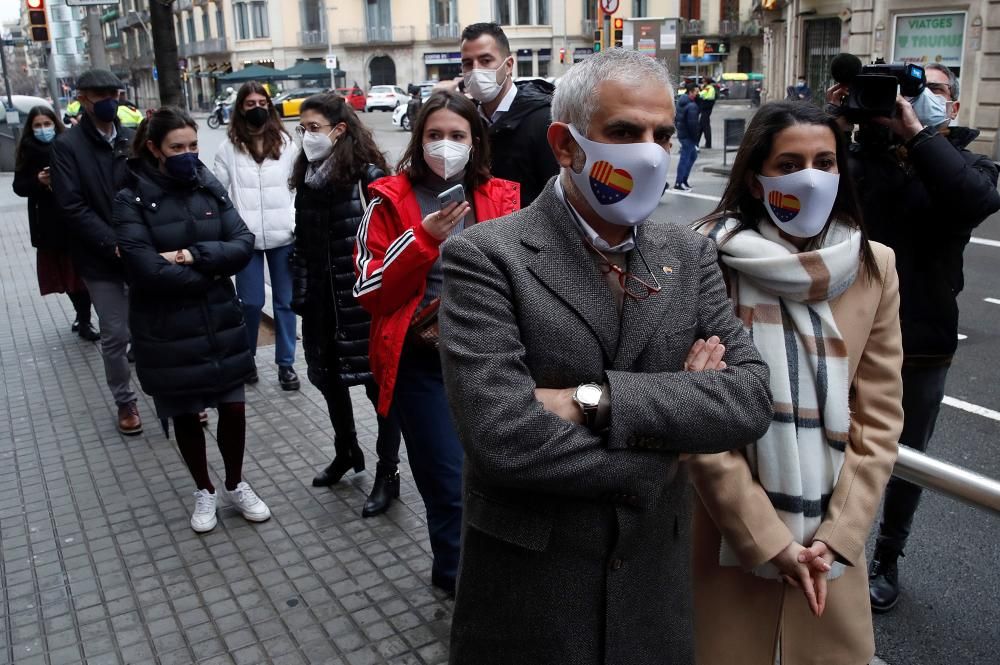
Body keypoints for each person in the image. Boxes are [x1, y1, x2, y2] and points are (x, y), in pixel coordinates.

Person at [438, 48, 772, 663]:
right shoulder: (487, 256)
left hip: (653, 594)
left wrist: (595, 400)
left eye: (662, 134)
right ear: (565, 145)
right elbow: (503, 436)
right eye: (624, 132)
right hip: (531, 599)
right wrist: (670, 444)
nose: (649, 151)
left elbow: (749, 397)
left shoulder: (688, 254)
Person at [687, 100, 904, 664]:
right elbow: (695, 412)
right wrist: (768, 539)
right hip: (727, 533)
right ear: (756, 182)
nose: (810, 177)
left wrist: (837, 537)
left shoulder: (873, 267)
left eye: (825, 162)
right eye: (789, 164)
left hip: (828, 547)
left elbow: (878, 420)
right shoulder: (704, 260)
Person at [827, 63, 1000, 612]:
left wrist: (917, 137)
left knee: (908, 459)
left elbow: (975, 201)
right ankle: (829, 543)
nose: (901, 102)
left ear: (948, 107)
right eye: (892, 94)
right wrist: (835, 118)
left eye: (929, 92)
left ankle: (888, 557)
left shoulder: (963, 164)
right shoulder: (853, 158)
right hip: (844, 335)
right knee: (830, 445)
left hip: (923, 341)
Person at [353, 90, 520, 594]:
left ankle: (496, 575)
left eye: (456, 136)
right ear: (418, 139)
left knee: (496, 476)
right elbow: (371, 290)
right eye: (434, 135)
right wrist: (422, 241)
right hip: (422, 363)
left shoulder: (502, 198)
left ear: (476, 142)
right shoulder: (387, 200)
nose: (444, 145)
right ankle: (456, 580)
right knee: (446, 484)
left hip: (492, 360)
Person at [113, 107, 270, 533]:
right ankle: (204, 489)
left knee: (233, 408)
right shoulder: (130, 198)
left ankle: (235, 483)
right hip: (166, 329)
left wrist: (187, 256)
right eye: (177, 147)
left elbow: (242, 243)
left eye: (193, 145)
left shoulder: (208, 184)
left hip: (219, 321)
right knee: (185, 413)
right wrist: (210, 269)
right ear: (153, 148)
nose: (188, 154)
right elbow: (144, 269)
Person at [289, 92, 404, 517]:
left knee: (381, 393)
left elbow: (389, 248)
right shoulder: (307, 179)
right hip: (321, 304)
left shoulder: (368, 178)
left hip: (362, 307)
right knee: (329, 381)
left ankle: (387, 472)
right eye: (302, 129)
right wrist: (298, 295)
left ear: (339, 131)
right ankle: (346, 452)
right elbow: (301, 244)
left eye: (313, 128)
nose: (306, 136)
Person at [51, 69, 143, 435]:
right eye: (98, 94)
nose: (108, 99)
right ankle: (126, 403)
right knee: (115, 334)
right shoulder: (67, 145)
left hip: (139, 252)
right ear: (83, 100)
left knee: (152, 327)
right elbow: (71, 205)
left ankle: (174, 395)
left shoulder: (132, 139)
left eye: (113, 92)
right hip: (99, 259)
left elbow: (147, 189)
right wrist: (111, 242)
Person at [213, 81, 300, 389]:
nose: (257, 108)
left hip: (284, 236)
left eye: (261, 103)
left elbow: (297, 188)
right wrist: (229, 229)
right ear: (240, 108)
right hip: (245, 239)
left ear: (270, 106)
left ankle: (286, 364)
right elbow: (218, 194)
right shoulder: (228, 148)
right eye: (250, 104)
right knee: (249, 303)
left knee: (286, 303)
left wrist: (294, 221)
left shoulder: (287, 144)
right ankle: (246, 360)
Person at [12, 106, 99, 342]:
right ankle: (82, 317)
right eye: (37, 126)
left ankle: (84, 318)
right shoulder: (26, 152)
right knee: (65, 275)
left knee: (80, 274)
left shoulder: (67, 145)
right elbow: (18, 187)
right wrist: (38, 181)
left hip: (73, 220)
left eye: (47, 124)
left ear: (56, 123)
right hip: (47, 223)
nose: (43, 130)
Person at [459, 22, 558, 205]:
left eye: (486, 60)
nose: (475, 70)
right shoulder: (467, 122)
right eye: (467, 63)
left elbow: (559, 196)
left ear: (508, 65)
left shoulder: (543, 120)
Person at [674, 83, 700, 191]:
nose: (698, 93)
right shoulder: (692, 105)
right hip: (688, 136)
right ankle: (679, 183)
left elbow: (676, 118)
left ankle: (683, 180)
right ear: (690, 92)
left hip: (683, 134)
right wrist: (695, 138)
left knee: (692, 156)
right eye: (696, 91)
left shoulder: (681, 102)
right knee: (685, 158)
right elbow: (693, 124)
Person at [697, 76, 717, 148]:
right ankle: (700, 143)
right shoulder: (709, 87)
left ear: (706, 81)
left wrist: (699, 90)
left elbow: (701, 94)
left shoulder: (708, 87)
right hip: (707, 108)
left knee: (704, 126)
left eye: (703, 80)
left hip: (706, 108)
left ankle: (707, 144)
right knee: (702, 126)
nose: (702, 81)